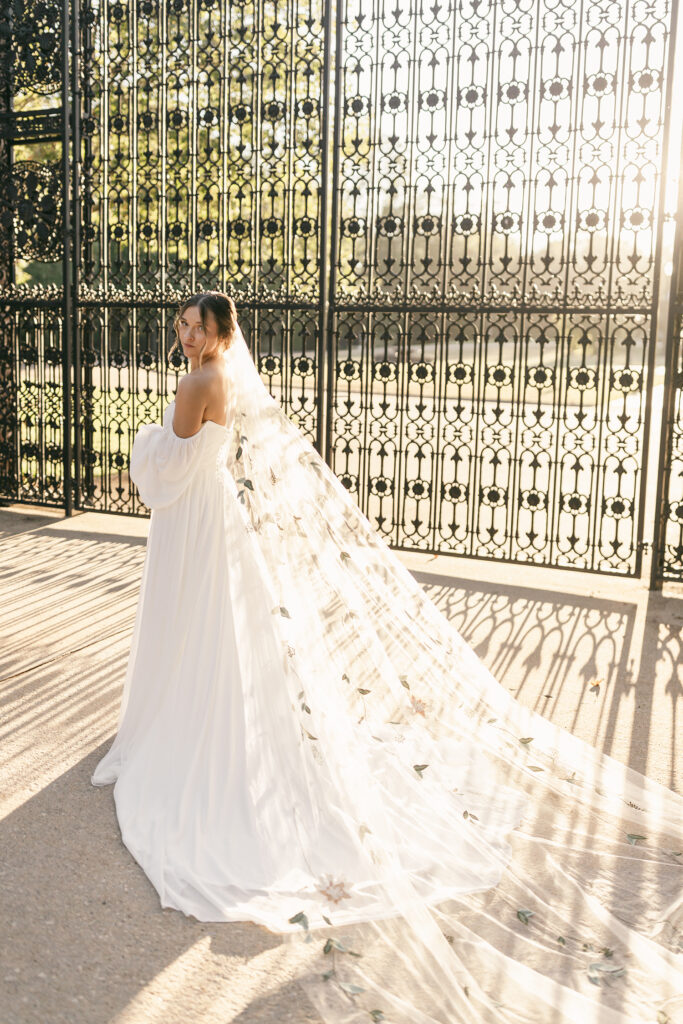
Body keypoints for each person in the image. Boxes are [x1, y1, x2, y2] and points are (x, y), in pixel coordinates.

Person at [92, 290, 683, 1024]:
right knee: (225, 638)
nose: (183, 335)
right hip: (223, 523)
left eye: (194, 326)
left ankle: (188, 724)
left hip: (196, 520)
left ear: (221, 332)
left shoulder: (195, 383)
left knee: (195, 630)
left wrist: (143, 440)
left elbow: (171, 465)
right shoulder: (235, 378)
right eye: (179, 325)